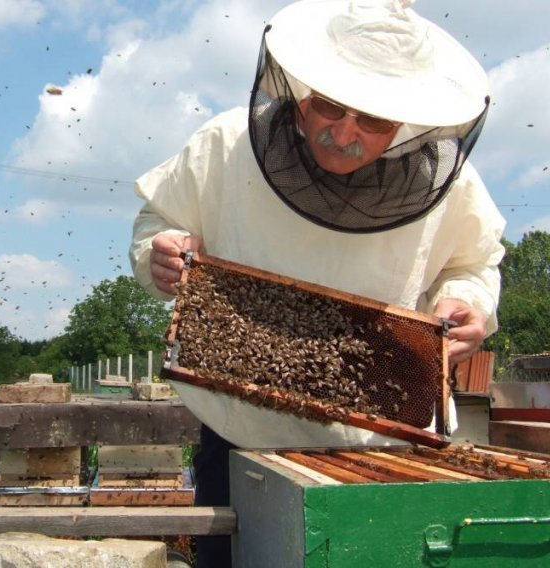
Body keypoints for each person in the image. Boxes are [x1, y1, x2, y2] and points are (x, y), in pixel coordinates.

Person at [129, 0, 506, 566]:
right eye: (330, 107)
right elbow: (158, 223)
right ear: (301, 96)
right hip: (241, 435)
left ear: (403, 122)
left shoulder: (451, 185)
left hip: (383, 445)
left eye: (373, 121)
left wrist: (469, 303)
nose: (344, 133)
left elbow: (475, 265)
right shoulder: (227, 144)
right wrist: (158, 255)